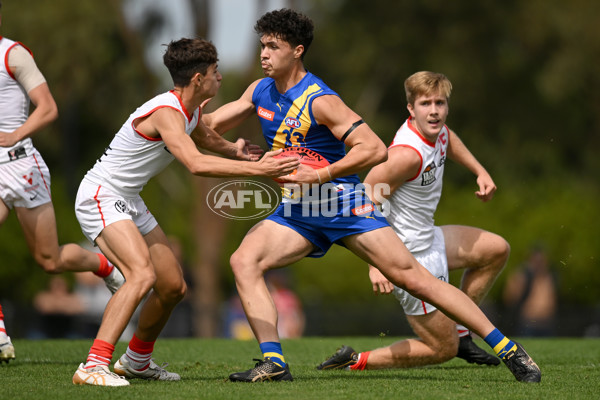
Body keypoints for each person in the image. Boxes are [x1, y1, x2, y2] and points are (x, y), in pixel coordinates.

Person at [203, 8, 540, 383]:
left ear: (297, 51)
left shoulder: (320, 100)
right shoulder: (259, 90)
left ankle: (510, 349)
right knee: (243, 261)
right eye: (262, 45)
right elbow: (207, 126)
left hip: (343, 204)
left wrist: (321, 175)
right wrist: (194, 128)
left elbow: (374, 149)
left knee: (417, 279)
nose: (264, 54)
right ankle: (274, 362)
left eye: (273, 46)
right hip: (298, 210)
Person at [71, 37, 300, 387]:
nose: (219, 77)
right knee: (141, 276)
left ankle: (136, 361)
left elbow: (205, 137)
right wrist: (261, 171)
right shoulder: (167, 111)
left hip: (128, 198)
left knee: (174, 286)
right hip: (100, 195)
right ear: (198, 79)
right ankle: (93, 364)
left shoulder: (188, 110)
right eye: (214, 72)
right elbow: (194, 162)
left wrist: (238, 152)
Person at [317, 71, 510, 372]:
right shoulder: (405, 155)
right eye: (425, 104)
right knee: (442, 349)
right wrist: (376, 263)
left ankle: (462, 331)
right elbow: (362, 201)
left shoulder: (437, 129)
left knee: (496, 250)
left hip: (429, 238)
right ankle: (354, 361)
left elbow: (449, 139)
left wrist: (479, 170)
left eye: (440, 103)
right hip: (407, 256)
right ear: (411, 108)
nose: (434, 111)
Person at [0, 1, 123, 364]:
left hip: (21, 165)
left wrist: (15, 134)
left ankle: (103, 266)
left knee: (49, 260)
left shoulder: (13, 54)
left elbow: (48, 107)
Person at [503, 244, 557, 337]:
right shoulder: (524, 275)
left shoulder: (550, 276)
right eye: (537, 261)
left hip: (547, 323)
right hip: (528, 323)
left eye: (541, 260)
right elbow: (509, 297)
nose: (539, 264)